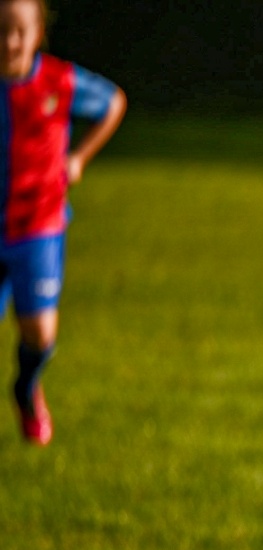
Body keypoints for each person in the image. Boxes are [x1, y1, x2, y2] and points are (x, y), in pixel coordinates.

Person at [0, 0, 125, 446]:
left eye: (19, 31)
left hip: (38, 225)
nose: (10, 42)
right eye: (1, 31)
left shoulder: (59, 82)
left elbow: (114, 103)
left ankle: (25, 388)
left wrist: (78, 158)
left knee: (41, 332)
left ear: (38, 34)